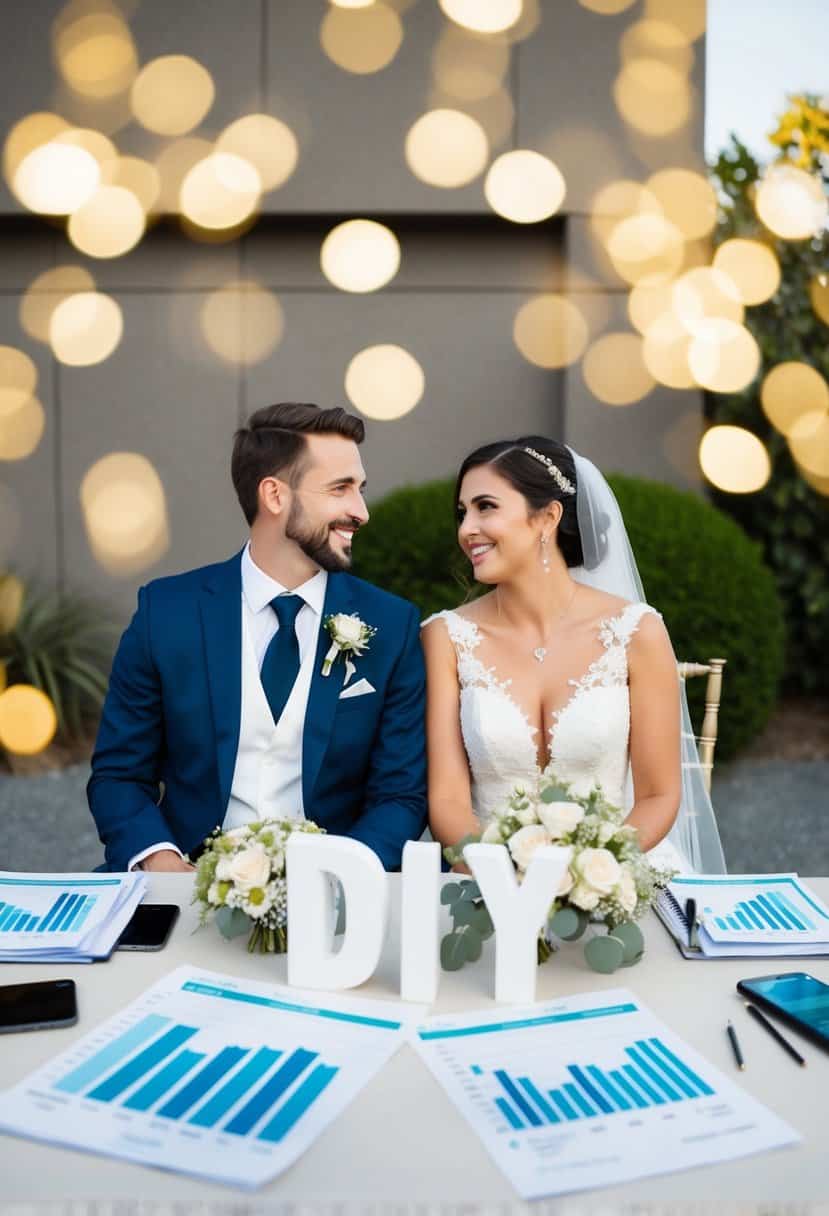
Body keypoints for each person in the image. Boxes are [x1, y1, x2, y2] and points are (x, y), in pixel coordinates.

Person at [88, 402, 427, 873]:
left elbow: (400, 795)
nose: (361, 511)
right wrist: (162, 863)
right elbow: (119, 775)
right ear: (274, 495)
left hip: (334, 899)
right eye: (340, 489)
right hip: (187, 882)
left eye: (360, 489)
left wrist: (338, 876)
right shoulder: (166, 612)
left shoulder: (392, 624)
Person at [422, 436, 726, 874]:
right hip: (485, 880)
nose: (467, 528)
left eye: (485, 507)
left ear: (547, 517)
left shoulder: (636, 631)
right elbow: (448, 801)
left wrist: (588, 876)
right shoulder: (444, 637)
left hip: (614, 875)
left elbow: (659, 796)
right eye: (462, 512)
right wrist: (502, 874)